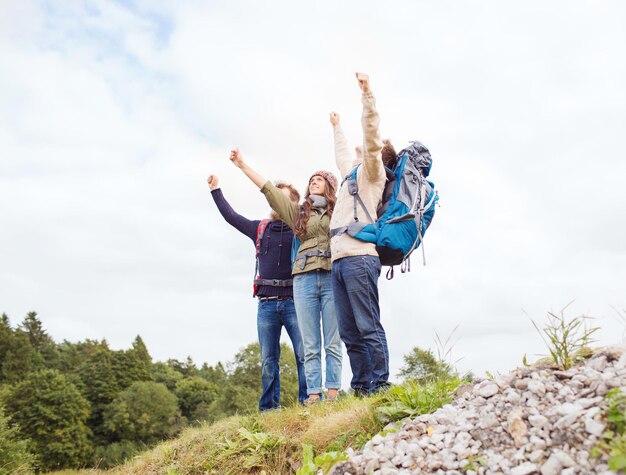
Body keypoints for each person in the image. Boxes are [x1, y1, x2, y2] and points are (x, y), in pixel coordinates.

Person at [229, 150, 342, 403]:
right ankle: (313, 396)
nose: (314, 181)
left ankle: (333, 393)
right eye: (311, 179)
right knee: (310, 343)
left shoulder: (340, 210)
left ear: (330, 187)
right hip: (302, 279)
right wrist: (242, 165)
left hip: (330, 275)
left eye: (320, 179)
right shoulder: (298, 213)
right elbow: (269, 190)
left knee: (332, 340)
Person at [207, 174, 307, 410]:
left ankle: (308, 402)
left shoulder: (302, 230)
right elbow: (232, 217)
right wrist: (215, 191)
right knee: (268, 361)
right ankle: (270, 409)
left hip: (295, 302)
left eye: (279, 198)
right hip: (266, 305)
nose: (274, 202)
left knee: (304, 355)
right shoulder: (260, 229)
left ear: (293, 204)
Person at [328, 73, 392, 396]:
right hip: (338, 261)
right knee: (350, 333)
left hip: (360, 257)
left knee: (368, 326)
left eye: (361, 150)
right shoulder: (348, 174)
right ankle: (361, 388)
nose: (356, 150)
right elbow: (342, 154)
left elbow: (371, 137)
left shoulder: (372, 171)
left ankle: (380, 384)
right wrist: (337, 127)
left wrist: (368, 96)